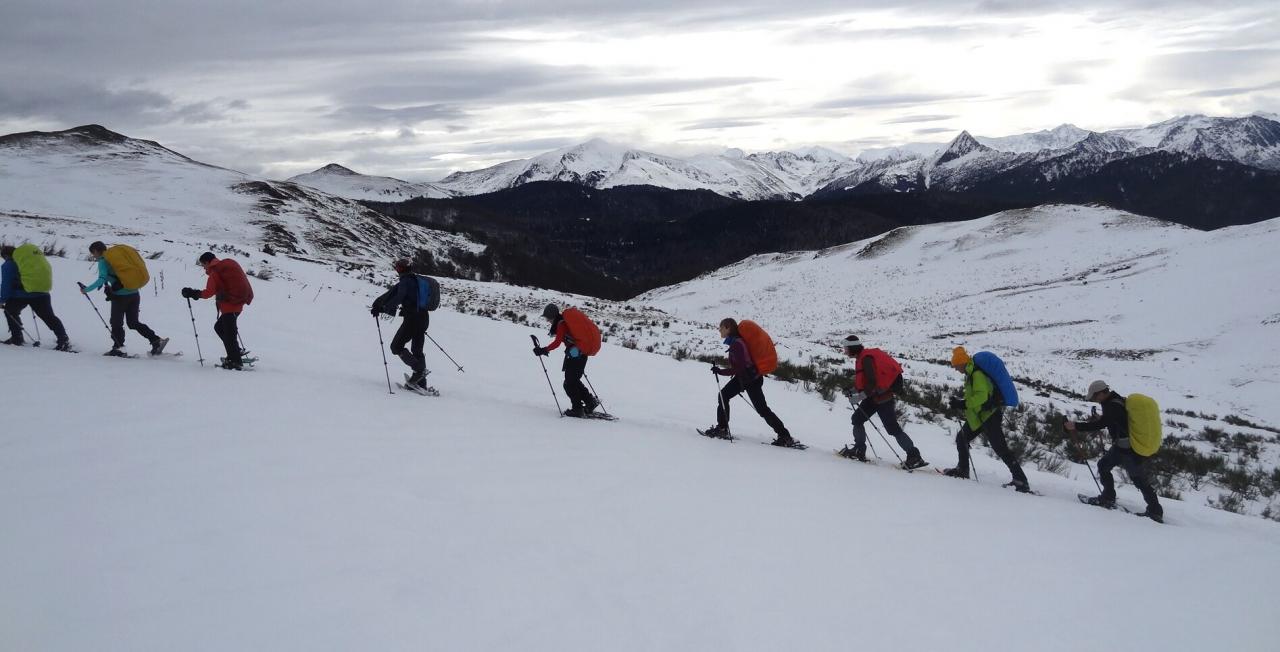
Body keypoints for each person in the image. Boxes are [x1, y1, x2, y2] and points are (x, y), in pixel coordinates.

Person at [1067, 380, 1164, 522]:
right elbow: (1115, 421)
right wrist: (1103, 418)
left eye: (1094, 397)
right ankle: (1109, 497)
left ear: (1101, 393)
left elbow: (1101, 424)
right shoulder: (1116, 400)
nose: (1094, 400)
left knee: (1138, 478)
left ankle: (1155, 511)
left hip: (1128, 450)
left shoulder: (1112, 405)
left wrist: (1075, 426)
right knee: (1104, 466)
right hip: (1123, 447)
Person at [941, 347, 1030, 491]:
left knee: (1000, 448)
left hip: (989, 416)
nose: (956, 369)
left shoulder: (976, 375)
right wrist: (961, 402)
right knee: (961, 439)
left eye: (956, 366)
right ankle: (962, 470)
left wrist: (962, 403)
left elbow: (981, 397)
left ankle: (1021, 480)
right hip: (980, 415)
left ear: (962, 363)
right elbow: (976, 396)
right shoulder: (970, 373)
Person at [702, 318, 796, 446]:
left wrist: (720, 371)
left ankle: (785, 436)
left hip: (751, 380)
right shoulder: (736, 342)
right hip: (745, 378)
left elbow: (739, 368)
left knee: (762, 410)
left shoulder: (737, 344)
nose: (719, 330)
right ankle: (722, 428)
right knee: (723, 395)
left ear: (728, 327)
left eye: (721, 327)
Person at [839, 335, 927, 469]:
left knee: (892, 428)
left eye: (846, 348)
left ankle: (914, 456)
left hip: (883, 398)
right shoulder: (862, 357)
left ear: (852, 348)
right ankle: (859, 449)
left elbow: (872, 382)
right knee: (857, 419)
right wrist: (852, 390)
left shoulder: (866, 359)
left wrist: (858, 396)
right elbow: (866, 383)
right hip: (874, 397)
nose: (844, 351)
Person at [80, 241, 167, 356]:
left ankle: (118, 348)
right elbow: (112, 275)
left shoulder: (103, 261)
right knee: (133, 322)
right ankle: (156, 340)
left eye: (93, 253)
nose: (93, 256)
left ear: (96, 251)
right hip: (134, 293)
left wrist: (86, 290)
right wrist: (106, 284)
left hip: (120, 297)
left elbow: (102, 277)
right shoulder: (115, 257)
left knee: (116, 323)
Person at [182, 252, 253, 370]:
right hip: (237, 304)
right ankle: (235, 352)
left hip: (229, 307)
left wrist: (193, 293)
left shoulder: (215, 273)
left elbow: (208, 293)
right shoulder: (224, 267)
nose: (203, 267)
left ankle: (235, 361)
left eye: (203, 265)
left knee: (229, 334)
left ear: (207, 262)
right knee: (220, 328)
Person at [370, 259, 432, 389]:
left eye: (397, 268)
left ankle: (419, 370)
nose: (396, 270)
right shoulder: (415, 280)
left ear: (401, 269)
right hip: (424, 318)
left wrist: (381, 308)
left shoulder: (405, 282)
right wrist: (380, 304)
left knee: (396, 347)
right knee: (417, 350)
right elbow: (392, 293)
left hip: (412, 319)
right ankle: (420, 383)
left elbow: (398, 297)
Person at [1, 245, 72, 350]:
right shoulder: (29, 261)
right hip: (42, 293)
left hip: (20, 295)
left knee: (10, 311)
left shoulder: (8, 265)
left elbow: (6, 284)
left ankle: (17, 338)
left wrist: (2, 299)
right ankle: (63, 339)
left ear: (5, 255)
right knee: (49, 317)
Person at [533, 303, 598, 417]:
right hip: (579, 354)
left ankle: (577, 409)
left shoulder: (561, 324)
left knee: (569, 383)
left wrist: (544, 350)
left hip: (576, 355)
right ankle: (590, 402)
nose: (547, 320)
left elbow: (557, 342)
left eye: (547, 317)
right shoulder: (563, 322)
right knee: (573, 381)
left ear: (551, 316)